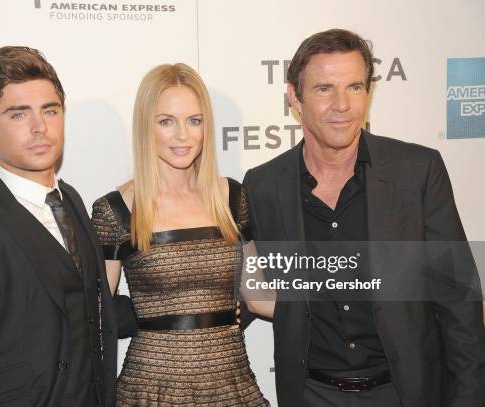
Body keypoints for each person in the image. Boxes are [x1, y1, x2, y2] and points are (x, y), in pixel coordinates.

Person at [242, 29, 485, 406]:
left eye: (354, 87)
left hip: (404, 393)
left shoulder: (418, 171)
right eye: (324, 89)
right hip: (311, 395)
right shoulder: (262, 186)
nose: (342, 104)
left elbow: (459, 301)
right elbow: (233, 287)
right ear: (295, 97)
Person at [0, 46, 134, 407]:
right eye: (19, 115)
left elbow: (86, 309)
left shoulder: (73, 202)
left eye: (50, 110)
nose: (40, 127)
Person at [91, 63, 269, 406]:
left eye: (194, 120)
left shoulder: (231, 197)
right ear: (147, 126)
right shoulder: (116, 209)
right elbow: (97, 314)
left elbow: (258, 295)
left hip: (232, 386)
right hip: (151, 389)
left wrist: (332, 303)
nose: (182, 136)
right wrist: (150, 316)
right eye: (166, 121)